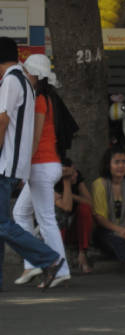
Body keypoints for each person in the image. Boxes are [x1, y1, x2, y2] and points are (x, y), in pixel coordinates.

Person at [0, 37, 64, 291]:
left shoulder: (10, 81)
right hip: (14, 164)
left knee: (3, 223)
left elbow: (2, 121)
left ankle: (48, 258)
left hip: (5, 164)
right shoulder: (23, 81)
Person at [12, 54, 71, 289]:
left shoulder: (38, 100)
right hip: (47, 166)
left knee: (45, 220)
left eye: (27, 71)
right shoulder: (46, 98)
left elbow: (34, 140)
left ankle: (60, 268)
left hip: (40, 166)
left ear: (34, 75)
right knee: (21, 214)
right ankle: (33, 264)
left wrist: (21, 168)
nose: (24, 75)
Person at [92, 145, 125, 276]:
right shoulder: (99, 184)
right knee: (113, 239)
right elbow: (99, 218)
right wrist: (120, 231)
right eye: (116, 162)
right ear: (108, 164)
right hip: (107, 231)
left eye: (124, 162)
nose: (121, 166)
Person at [54, 159, 93, 274]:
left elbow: (89, 202)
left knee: (84, 209)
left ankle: (82, 253)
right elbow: (66, 208)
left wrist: (71, 195)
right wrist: (66, 184)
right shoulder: (54, 185)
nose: (75, 174)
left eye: (75, 170)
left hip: (75, 226)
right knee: (61, 216)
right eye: (72, 173)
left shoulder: (77, 179)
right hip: (60, 228)